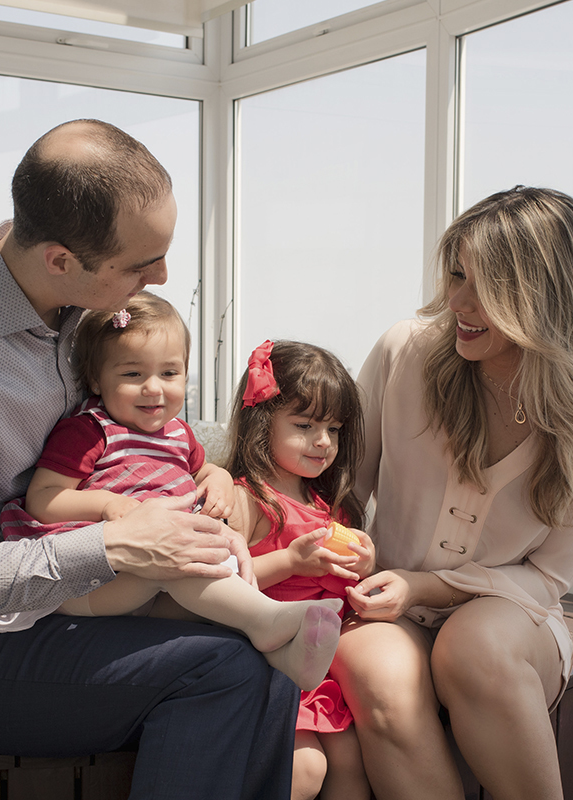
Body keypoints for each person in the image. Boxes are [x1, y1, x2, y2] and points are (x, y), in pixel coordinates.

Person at [0, 119, 297, 800]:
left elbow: (136, 442)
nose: (161, 276)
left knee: (274, 660)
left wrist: (209, 481)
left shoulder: (85, 314)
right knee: (226, 670)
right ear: (60, 259)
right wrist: (115, 546)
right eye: (139, 264)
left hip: (82, 611)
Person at [333, 186, 573, 800]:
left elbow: (547, 578)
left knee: (473, 647)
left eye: (487, 288)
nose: (458, 303)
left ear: (545, 298)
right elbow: (342, 487)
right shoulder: (404, 352)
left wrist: (428, 586)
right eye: (457, 274)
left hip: (511, 623)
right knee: (374, 668)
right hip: (388, 607)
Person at [0, 292, 343, 691]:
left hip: (157, 583)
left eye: (169, 374)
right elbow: (44, 497)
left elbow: (203, 467)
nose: (153, 389)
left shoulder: (178, 435)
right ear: (95, 379)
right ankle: (267, 619)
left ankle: (280, 652)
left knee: (199, 576)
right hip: (92, 581)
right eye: (132, 375)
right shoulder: (90, 430)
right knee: (184, 565)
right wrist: (111, 506)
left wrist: (219, 477)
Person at [225, 340, 376, 800]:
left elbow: (338, 587)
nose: (324, 441)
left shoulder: (328, 506)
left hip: (320, 671)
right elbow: (225, 581)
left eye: (334, 428)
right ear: (261, 423)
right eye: (305, 425)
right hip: (269, 664)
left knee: (353, 763)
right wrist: (290, 560)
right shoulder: (247, 498)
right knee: (304, 770)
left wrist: (365, 567)